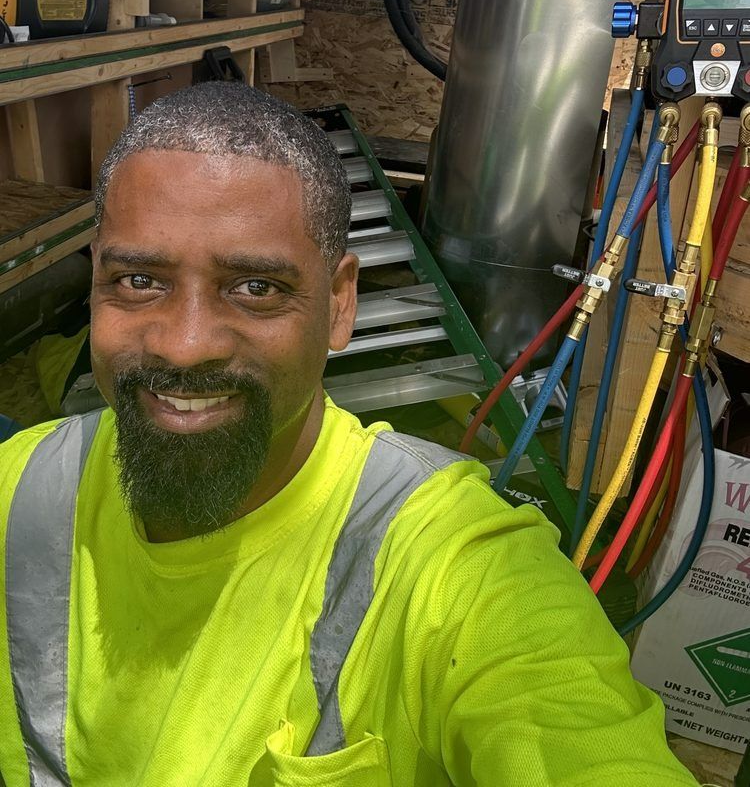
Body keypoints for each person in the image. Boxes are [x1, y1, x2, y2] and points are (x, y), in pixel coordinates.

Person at [0, 82, 699, 786]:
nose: (185, 348)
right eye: (141, 280)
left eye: (256, 288)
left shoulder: (454, 561)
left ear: (339, 303)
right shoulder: (16, 485)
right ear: (95, 283)